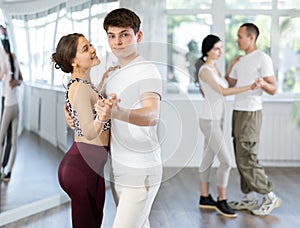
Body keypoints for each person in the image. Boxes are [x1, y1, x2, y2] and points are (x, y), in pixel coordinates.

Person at [95, 8, 163, 228]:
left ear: (138, 36)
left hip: (141, 168)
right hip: (119, 166)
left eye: (124, 34)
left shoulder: (147, 70)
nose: (118, 42)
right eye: (112, 36)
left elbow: (152, 115)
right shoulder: (113, 74)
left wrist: (117, 112)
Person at [52, 33, 112, 227]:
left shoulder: (82, 84)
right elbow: (88, 131)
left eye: (90, 45)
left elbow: (88, 103)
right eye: (85, 49)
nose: (93, 50)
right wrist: (103, 117)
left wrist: (103, 79)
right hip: (83, 167)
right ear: (73, 60)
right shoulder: (79, 88)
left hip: (88, 165)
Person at [197, 34, 259, 218]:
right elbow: (223, 91)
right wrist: (250, 86)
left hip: (216, 120)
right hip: (209, 121)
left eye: (221, 47)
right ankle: (221, 201)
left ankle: (204, 197)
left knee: (207, 159)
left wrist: (231, 66)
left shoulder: (213, 69)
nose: (220, 51)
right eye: (217, 48)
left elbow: (221, 83)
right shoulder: (206, 71)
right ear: (208, 50)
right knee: (226, 162)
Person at [225, 23, 281, 216]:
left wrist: (262, 83)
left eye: (240, 36)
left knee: (248, 156)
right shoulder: (241, 60)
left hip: (251, 112)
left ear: (251, 38)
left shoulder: (262, 58)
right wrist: (231, 65)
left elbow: (273, 89)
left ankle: (269, 195)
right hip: (238, 111)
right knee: (240, 156)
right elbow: (229, 83)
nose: (237, 39)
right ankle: (249, 197)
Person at [0, 37, 22, 182]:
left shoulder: (7, 63)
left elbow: (2, 77)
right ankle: (8, 172)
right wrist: (16, 82)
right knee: (13, 141)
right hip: (15, 106)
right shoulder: (14, 60)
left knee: (2, 139)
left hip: (8, 105)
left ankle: (2, 170)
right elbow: (20, 80)